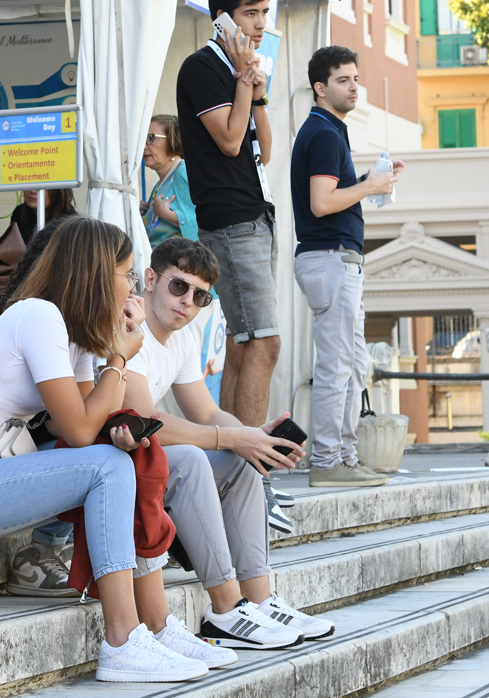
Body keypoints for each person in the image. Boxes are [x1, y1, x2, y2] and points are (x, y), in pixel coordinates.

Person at [0, 218, 231, 683]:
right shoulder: (38, 316)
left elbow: (93, 418)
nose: (132, 286)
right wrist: (119, 356)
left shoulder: (71, 334)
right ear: (97, 273)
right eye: (127, 274)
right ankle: (123, 640)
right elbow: (78, 432)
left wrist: (112, 349)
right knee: (109, 465)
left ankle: (154, 627)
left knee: (129, 456)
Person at [122, 237, 332, 649]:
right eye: (178, 286)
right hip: (112, 456)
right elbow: (147, 422)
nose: (187, 302)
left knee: (242, 459)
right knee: (192, 460)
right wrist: (232, 436)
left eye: (200, 296)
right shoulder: (129, 324)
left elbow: (205, 412)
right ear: (150, 278)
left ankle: (260, 599)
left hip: (143, 460)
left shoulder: (182, 337)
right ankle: (223, 609)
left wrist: (251, 438)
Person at [289, 46, 402, 487]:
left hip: (338, 260)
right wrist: (369, 185)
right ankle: (327, 462)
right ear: (320, 88)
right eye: (343, 80)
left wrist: (370, 184)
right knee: (338, 366)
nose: (354, 86)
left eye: (356, 78)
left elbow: (334, 196)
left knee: (352, 365)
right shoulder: (323, 133)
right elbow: (321, 203)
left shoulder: (329, 130)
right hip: (330, 259)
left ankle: (345, 458)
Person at [174, 0, 276, 428]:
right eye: (249, 14)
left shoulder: (241, 73)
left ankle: (237, 472)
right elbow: (231, 141)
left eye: (264, 13)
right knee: (263, 343)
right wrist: (242, 78)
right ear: (222, 20)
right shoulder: (201, 68)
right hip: (231, 220)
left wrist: (256, 93)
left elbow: (264, 151)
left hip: (255, 214)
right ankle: (255, 475)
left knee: (244, 340)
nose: (259, 24)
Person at [141, 115, 197, 244]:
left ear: (174, 139)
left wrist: (166, 214)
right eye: (143, 139)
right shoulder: (160, 184)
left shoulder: (184, 172)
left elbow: (206, 223)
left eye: (151, 138)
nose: (144, 146)